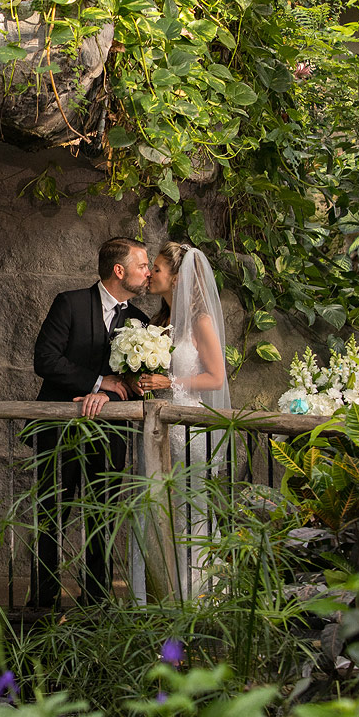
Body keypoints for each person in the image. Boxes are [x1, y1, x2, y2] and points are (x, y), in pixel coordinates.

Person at [31, 237, 151, 606]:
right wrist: (97, 382)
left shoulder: (140, 322)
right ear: (120, 271)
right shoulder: (69, 303)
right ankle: (43, 600)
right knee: (53, 512)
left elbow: (134, 384)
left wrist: (109, 394)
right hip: (60, 430)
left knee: (105, 514)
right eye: (142, 266)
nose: (148, 273)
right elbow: (45, 360)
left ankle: (96, 599)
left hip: (110, 434)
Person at [139, 241, 230, 596]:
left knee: (189, 509)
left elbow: (216, 377)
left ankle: (196, 595)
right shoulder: (159, 322)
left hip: (188, 429)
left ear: (176, 279)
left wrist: (169, 382)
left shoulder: (200, 322)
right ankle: (158, 592)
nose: (149, 275)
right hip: (158, 428)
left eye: (157, 270)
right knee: (156, 507)